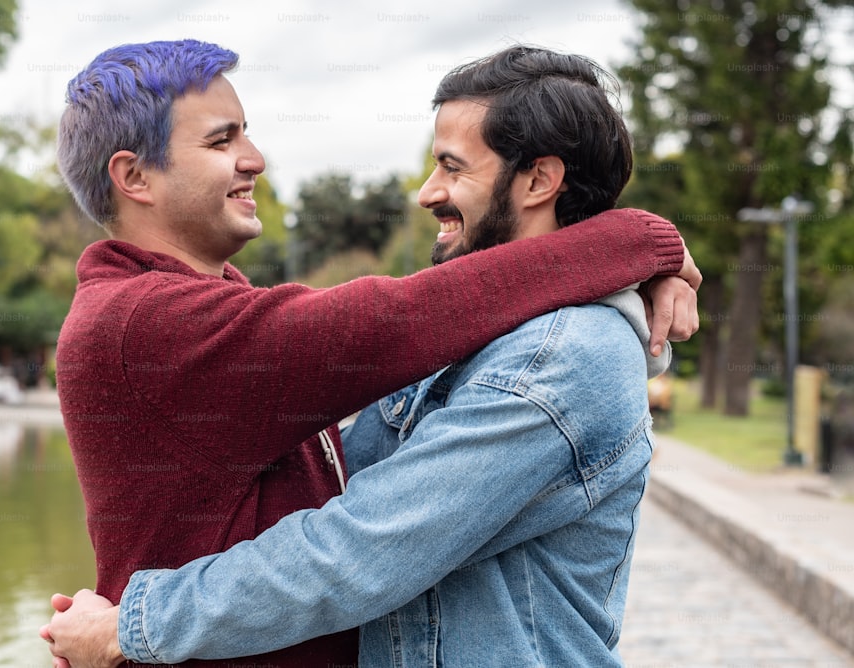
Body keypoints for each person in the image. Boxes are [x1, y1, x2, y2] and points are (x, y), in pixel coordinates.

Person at [43, 39, 699, 668]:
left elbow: (358, 540)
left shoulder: (558, 353)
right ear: (133, 176)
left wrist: (133, 624)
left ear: (539, 182)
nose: (256, 158)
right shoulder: (145, 322)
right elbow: (394, 321)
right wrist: (641, 241)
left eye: (451, 165)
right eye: (222, 140)